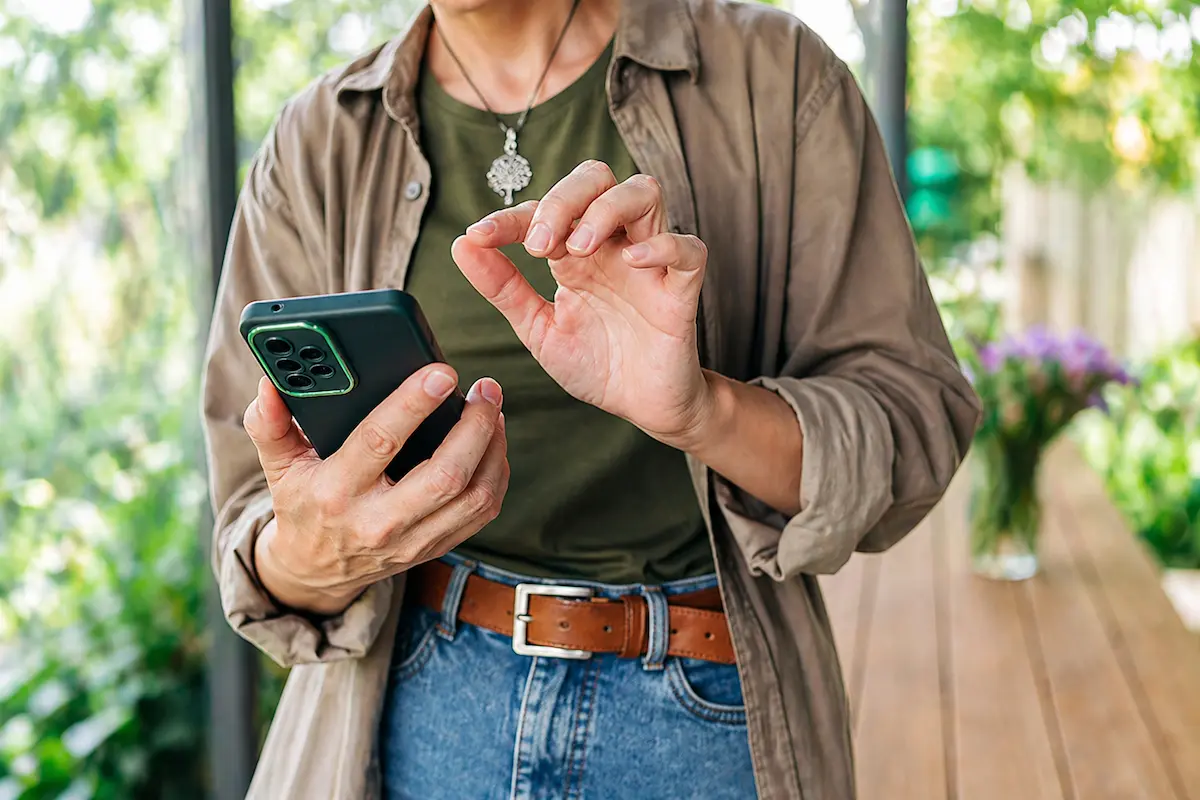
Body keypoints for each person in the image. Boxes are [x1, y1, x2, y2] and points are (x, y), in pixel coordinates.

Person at [201, 0, 981, 797]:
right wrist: (313, 553)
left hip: (702, 716)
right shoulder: (317, 139)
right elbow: (251, 519)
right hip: (412, 701)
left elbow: (909, 425)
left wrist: (703, 412)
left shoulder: (777, 74)